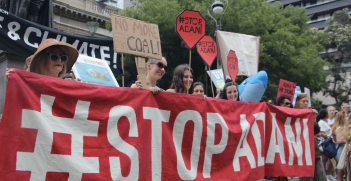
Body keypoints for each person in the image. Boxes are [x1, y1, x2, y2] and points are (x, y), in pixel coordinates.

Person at [6, 38, 78, 79]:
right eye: (54, 57)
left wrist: (77, 88)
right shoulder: (28, 83)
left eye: (63, 58)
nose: (59, 60)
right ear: (42, 60)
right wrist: (16, 82)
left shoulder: (66, 85)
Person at [294, 94, 327, 181]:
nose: (305, 103)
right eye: (303, 101)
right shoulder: (294, 113)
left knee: (322, 178)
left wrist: (314, 118)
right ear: (298, 102)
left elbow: (316, 131)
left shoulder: (310, 113)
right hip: (303, 151)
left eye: (307, 101)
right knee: (306, 178)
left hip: (314, 150)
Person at [316, 109, 336, 181]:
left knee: (329, 159)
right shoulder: (321, 122)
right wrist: (328, 138)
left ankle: (329, 175)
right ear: (326, 115)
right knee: (324, 160)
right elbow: (322, 133)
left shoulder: (323, 122)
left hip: (327, 142)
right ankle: (324, 175)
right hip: (325, 143)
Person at [332, 112, 348, 181]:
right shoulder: (340, 128)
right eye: (345, 117)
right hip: (340, 150)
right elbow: (339, 141)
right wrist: (347, 140)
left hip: (339, 149)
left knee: (341, 170)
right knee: (341, 170)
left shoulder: (339, 127)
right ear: (342, 118)